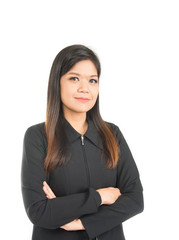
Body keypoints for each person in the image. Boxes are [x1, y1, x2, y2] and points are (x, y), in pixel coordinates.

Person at [21, 44, 144, 240]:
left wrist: (79, 223)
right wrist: (100, 197)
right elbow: (39, 211)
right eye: (74, 78)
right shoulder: (38, 136)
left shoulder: (112, 134)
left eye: (92, 80)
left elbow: (136, 199)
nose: (84, 88)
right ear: (57, 82)